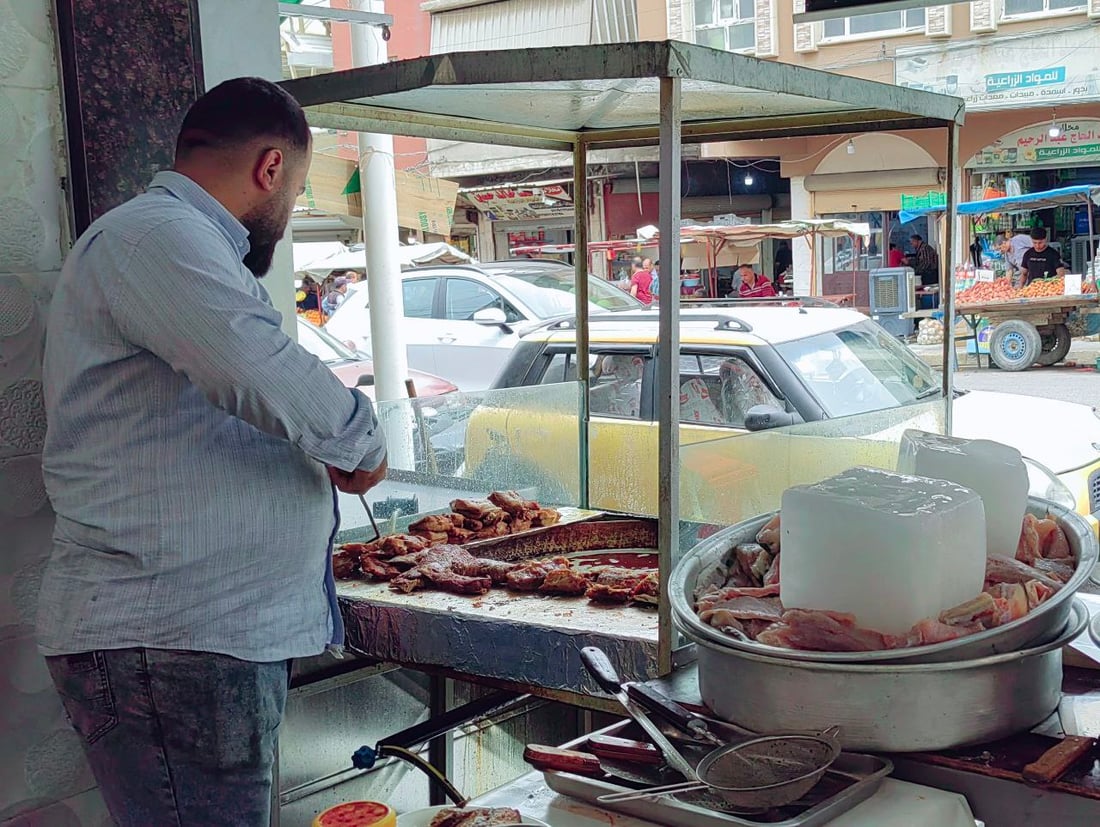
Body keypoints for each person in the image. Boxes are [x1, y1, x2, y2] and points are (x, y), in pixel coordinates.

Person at [37, 77, 388, 826]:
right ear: (270, 168)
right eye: (294, 190)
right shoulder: (156, 236)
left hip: (193, 641)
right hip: (171, 644)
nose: (287, 211)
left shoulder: (175, 242)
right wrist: (359, 438)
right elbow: (257, 365)